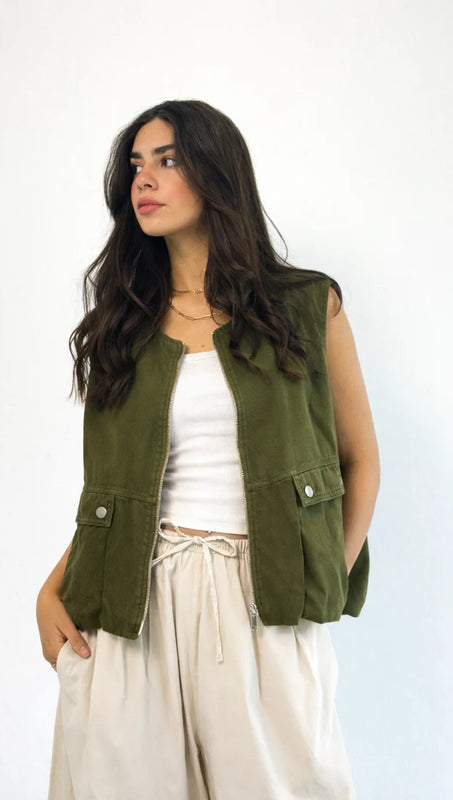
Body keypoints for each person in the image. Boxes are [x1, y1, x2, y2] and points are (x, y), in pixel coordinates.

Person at [36, 99, 380, 800]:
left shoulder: (304, 306)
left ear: (217, 174)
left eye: (167, 161)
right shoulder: (122, 326)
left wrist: (322, 575)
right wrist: (51, 588)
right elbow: (116, 492)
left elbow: (360, 460)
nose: (144, 179)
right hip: (134, 596)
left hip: (263, 594)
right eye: (137, 165)